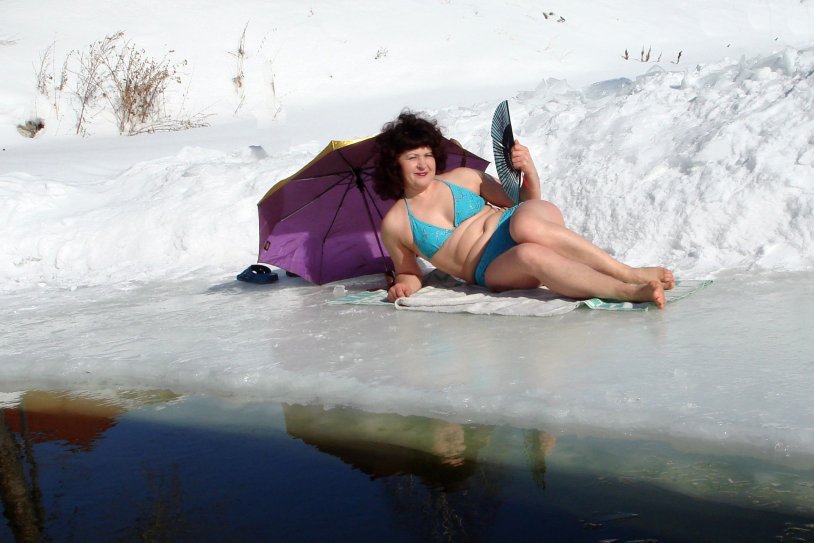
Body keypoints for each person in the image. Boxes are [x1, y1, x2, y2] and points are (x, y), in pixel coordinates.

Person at [373, 112, 674, 308]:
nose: (423, 164)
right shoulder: (397, 223)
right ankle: (626, 291)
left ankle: (627, 273)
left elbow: (524, 200)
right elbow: (409, 272)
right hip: (491, 268)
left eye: (427, 154)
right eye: (412, 157)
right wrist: (403, 287)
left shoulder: (463, 177)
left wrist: (528, 169)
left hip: (518, 221)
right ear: (394, 164)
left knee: (525, 227)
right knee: (529, 254)